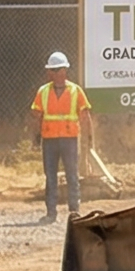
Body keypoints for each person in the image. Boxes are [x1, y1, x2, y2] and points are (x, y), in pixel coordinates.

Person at [29, 51, 96, 223]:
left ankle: (74, 211)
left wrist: (89, 139)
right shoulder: (43, 92)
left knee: (72, 175)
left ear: (64, 70)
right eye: (52, 70)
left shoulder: (76, 91)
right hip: (49, 140)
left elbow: (85, 115)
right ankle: (51, 212)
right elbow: (36, 115)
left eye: (57, 69)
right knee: (50, 176)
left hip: (69, 139)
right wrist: (36, 136)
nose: (54, 73)